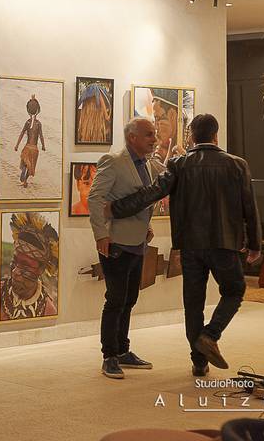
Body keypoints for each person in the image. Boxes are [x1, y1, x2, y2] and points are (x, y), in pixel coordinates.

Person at [106, 114, 261, 376]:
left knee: (193, 303)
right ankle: (210, 335)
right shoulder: (237, 165)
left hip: (190, 245)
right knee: (234, 291)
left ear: (192, 136)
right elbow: (250, 207)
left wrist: (116, 208)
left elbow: (152, 193)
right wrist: (255, 243)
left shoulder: (179, 164)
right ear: (215, 135)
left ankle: (199, 361)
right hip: (225, 243)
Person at [88, 117, 157, 379]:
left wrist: (147, 225)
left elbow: (142, 200)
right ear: (132, 137)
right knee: (115, 299)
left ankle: (123, 350)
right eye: (149, 134)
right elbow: (95, 198)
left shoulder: (146, 163)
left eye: (154, 134)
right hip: (116, 241)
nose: (154, 139)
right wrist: (101, 235)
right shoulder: (114, 161)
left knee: (130, 299)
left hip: (137, 241)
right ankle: (109, 356)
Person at [0, 211, 58, 321]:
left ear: (41, 269)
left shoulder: (48, 311)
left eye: (25, 266)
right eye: (14, 261)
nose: (15, 272)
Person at [14, 95, 45, 188]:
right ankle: (25, 181)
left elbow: (22, 133)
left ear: (28, 111)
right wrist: (43, 146)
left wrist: (17, 145)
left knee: (25, 161)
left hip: (27, 147)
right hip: (34, 149)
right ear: (38, 111)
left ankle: (24, 170)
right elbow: (41, 136)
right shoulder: (38, 124)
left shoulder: (27, 122)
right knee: (31, 166)